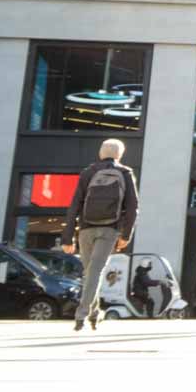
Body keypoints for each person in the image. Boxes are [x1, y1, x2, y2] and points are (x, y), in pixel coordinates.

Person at [63, 138, 139, 332]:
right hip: (109, 229)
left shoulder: (88, 172)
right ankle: (85, 314)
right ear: (119, 155)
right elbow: (132, 207)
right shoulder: (125, 173)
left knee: (91, 272)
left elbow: (75, 205)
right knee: (93, 272)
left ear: (100, 153)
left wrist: (68, 236)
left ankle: (89, 314)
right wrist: (126, 234)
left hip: (85, 229)